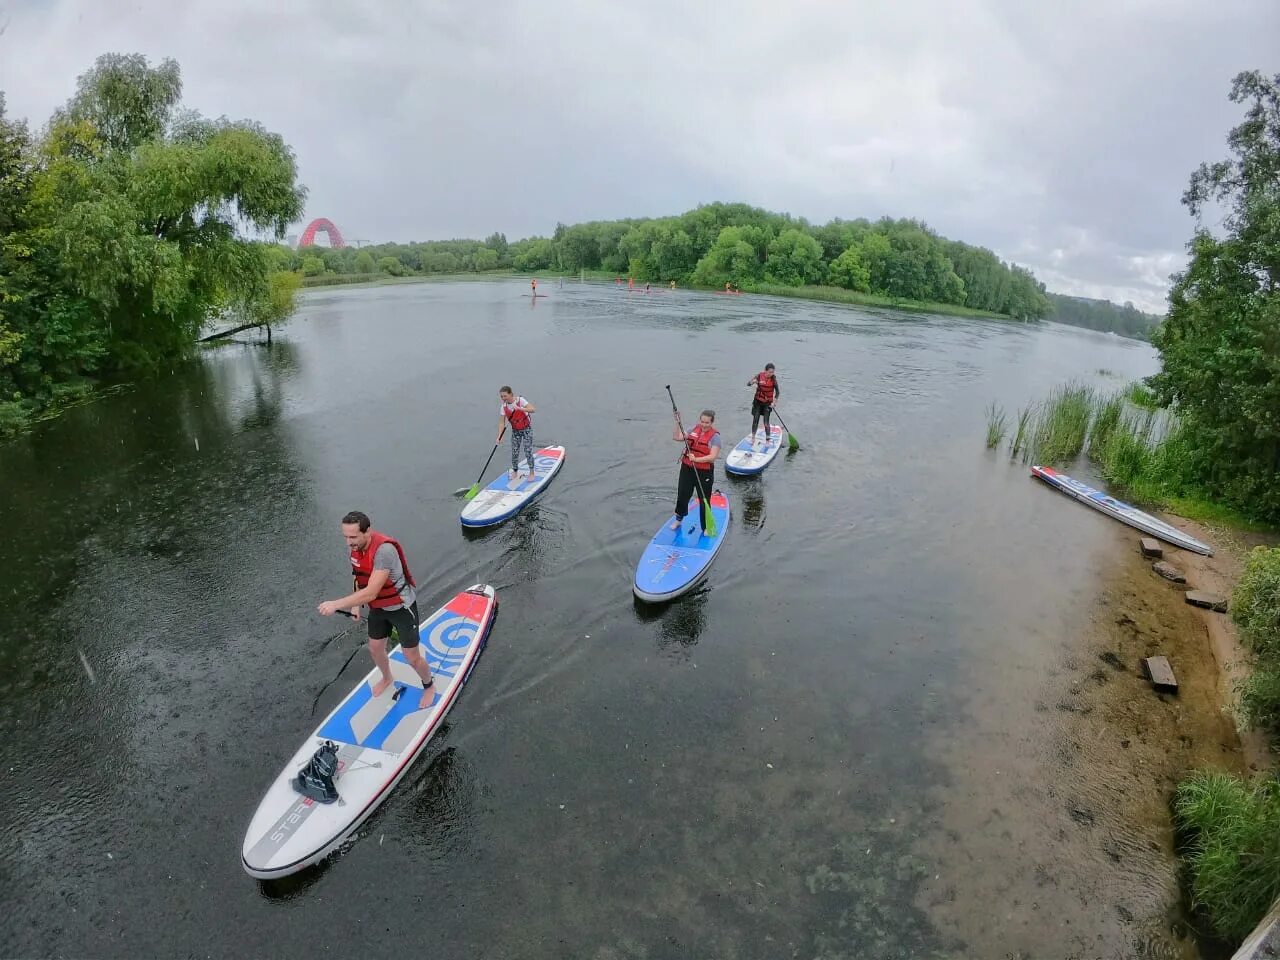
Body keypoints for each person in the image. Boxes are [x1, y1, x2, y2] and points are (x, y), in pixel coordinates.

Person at [318, 511, 435, 709]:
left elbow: (371, 592)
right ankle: (387, 677)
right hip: (378, 609)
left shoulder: (384, 551)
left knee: (412, 657)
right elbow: (358, 575)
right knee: (375, 648)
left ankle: (429, 685)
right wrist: (355, 604)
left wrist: (337, 604)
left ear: (367, 532)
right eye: (345, 536)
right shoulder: (355, 548)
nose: (348, 542)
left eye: (353, 536)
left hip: (400, 607)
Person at [670, 408, 721, 534]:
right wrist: (677, 422)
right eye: (702, 422)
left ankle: (706, 527)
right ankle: (679, 519)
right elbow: (676, 437)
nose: (704, 425)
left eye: (707, 423)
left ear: (712, 423)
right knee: (683, 494)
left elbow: (713, 456)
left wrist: (697, 459)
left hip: (704, 472)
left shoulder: (715, 437)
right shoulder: (693, 429)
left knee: (704, 499)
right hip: (687, 469)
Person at [497, 386, 537, 481]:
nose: (503, 398)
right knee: (515, 452)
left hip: (526, 429)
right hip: (516, 431)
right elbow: (502, 422)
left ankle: (531, 472)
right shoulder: (503, 407)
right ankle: (515, 471)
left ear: (511, 394)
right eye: (501, 396)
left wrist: (520, 408)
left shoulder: (521, 400)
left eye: (505, 396)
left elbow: (533, 409)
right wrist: (499, 436)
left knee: (528, 451)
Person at [747, 363, 780, 447]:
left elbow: (777, 392)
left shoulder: (773, 380)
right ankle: (753, 438)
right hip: (757, 402)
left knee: (766, 422)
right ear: (765, 370)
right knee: (755, 420)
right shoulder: (759, 376)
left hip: (767, 404)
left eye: (772, 372)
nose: (771, 374)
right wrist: (752, 382)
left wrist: (774, 403)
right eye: (769, 372)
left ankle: (768, 440)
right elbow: (748, 384)